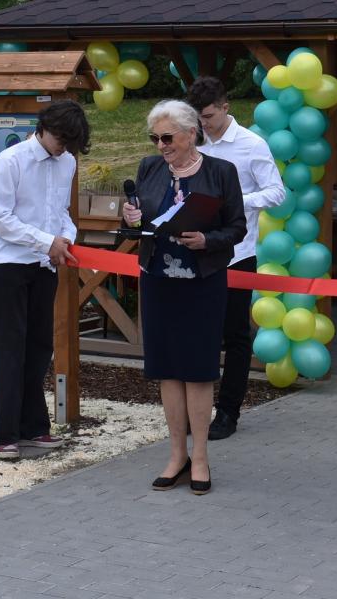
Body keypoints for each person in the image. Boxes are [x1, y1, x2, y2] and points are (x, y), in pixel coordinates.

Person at [122, 99, 246, 494]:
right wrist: (130, 218)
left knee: (198, 369)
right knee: (167, 368)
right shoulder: (149, 168)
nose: (160, 145)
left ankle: (201, 458)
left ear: (191, 134)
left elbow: (237, 228)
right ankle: (177, 455)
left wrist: (207, 239)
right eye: (154, 138)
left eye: (167, 138)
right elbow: (140, 223)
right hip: (158, 279)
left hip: (201, 282)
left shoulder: (221, 172)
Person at [0, 100, 91, 460]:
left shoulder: (67, 162)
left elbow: (60, 212)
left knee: (40, 347)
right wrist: (47, 242)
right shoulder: (10, 161)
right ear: (43, 128)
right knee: (8, 348)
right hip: (7, 263)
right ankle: (5, 434)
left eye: (70, 143)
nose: (64, 148)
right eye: (61, 140)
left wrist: (66, 238)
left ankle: (34, 426)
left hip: (44, 265)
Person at [184, 76, 286, 440]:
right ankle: (196, 409)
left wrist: (236, 202)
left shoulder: (251, 144)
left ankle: (228, 411)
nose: (204, 124)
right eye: (198, 118)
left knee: (235, 336)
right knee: (198, 333)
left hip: (237, 253)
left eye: (209, 116)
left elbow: (276, 192)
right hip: (196, 249)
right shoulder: (193, 142)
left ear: (226, 108)